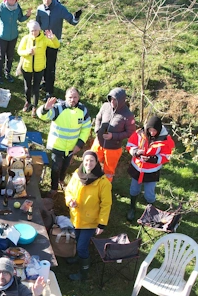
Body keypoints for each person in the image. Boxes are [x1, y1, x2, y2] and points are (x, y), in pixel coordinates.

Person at [63, 151, 112, 281]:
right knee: (77, 240)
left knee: (82, 247)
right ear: (82, 161)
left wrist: (102, 224)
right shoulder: (76, 175)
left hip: (90, 221)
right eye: (86, 160)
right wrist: (70, 201)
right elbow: (68, 190)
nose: (88, 163)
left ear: (96, 163)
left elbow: (106, 204)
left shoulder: (103, 182)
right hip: (76, 217)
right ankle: (78, 257)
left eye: (92, 161)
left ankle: (83, 274)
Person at [37, 87, 93, 192]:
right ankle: (53, 189)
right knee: (55, 168)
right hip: (57, 145)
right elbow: (42, 116)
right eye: (70, 97)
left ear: (79, 97)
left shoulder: (83, 110)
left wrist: (79, 144)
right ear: (65, 97)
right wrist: (45, 108)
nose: (73, 100)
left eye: (75, 97)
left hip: (72, 147)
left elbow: (86, 128)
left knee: (65, 166)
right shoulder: (58, 108)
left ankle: (61, 181)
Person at [125, 115, 174, 221]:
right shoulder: (139, 134)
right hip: (137, 168)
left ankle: (151, 212)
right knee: (134, 189)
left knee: (149, 194)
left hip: (152, 171)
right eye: (150, 130)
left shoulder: (165, 139)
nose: (152, 133)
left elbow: (167, 155)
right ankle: (132, 208)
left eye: (154, 130)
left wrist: (153, 159)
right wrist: (136, 152)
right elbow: (130, 144)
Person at [34, 0, 81, 97]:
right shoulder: (40, 9)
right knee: (42, 63)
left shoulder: (60, 8)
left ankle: (49, 91)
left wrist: (76, 17)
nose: (46, 1)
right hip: (42, 41)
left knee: (50, 66)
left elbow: (72, 21)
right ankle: (43, 83)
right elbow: (37, 23)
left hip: (54, 42)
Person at [0, 0, 30, 84]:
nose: (12, 1)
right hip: (2, 36)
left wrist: (27, 16)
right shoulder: (1, 7)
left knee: (10, 56)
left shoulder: (17, 7)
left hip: (13, 36)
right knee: (1, 56)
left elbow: (20, 19)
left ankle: (7, 73)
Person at [92, 87, 136, 181]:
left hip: (113, 148)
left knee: (108, 172)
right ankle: (90, 183)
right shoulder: (105, 106)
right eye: (111, 98)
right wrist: (97, 130)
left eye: (115, 99)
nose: (112, 101)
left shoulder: (128, 115)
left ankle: (105, 189)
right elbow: (98, 118)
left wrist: (113, 136)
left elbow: (130, 132)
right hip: (98, 143)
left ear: (121, 100)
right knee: (91, 163)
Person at [16, 21, 59, 113]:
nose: (33, 32)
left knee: (36, 88)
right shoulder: (26, 39)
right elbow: (19, 51)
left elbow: (56, 45)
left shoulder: (44, 39)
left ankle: (34, 106)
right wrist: (28, 52)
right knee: (27, 87)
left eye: (35, 30)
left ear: (39, 29)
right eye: (31, 30)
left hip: (39, 68)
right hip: (27, 67)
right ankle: (27, 102)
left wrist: (53, 38)